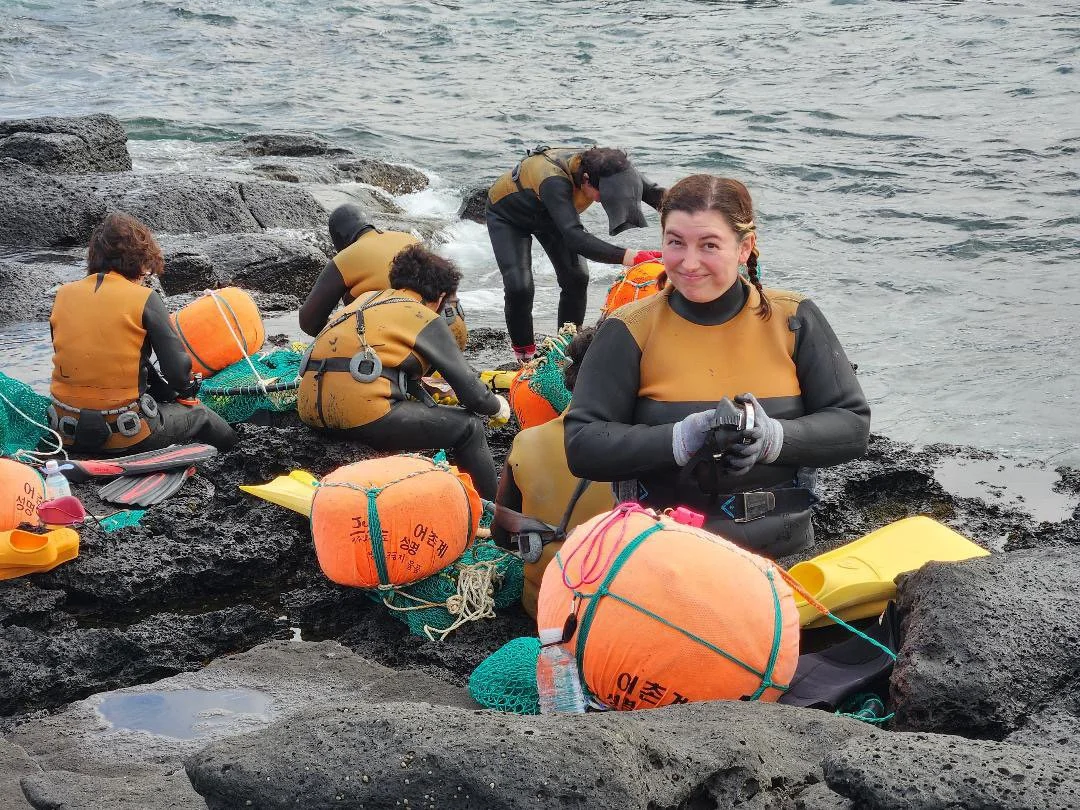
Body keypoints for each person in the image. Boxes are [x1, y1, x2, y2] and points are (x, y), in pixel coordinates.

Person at [564, 175, 870, 557]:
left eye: (709, 245)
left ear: (745, 247)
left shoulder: (794, 319)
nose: (689, 263)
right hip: (661, 552)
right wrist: (680, 439)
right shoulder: (629, 329)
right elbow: (583, 445)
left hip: (784, 551)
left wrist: (773, 438)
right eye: (675, 242)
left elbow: (852, 425)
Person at [297, 244, 509, 499]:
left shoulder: (365, 299)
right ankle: (492, 511)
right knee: (469, 427)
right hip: (362, 417)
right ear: (441, 296)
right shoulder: (423, 315)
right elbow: (474, 396)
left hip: (308, 412)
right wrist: (497, 406)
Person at [48, 213, 237, 453]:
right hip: (128, 435)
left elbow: (80, 357)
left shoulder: (63, 295)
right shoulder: (144, 298)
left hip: (66, 432)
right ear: (139, 259)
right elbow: (178, 373)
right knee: (201, 415)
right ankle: (239, 454)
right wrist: (185, 389)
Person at [486, 146, 665, 362]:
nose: (601, 200)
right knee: (519, 287)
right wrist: (631, 257)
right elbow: (575, 238)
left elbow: (661, 196)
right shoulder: (554, 179)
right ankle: (525, 356)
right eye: (602, 195)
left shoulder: (616, 170)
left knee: (577, 278)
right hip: (508, 216)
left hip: (552, 217)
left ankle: (567, 349)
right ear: (586, 179)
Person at [492, 327, 613, 617]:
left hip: (539, 608)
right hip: (606, 618)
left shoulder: (525, 442)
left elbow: (500, 536)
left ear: (569, 378)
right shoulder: (643, 449)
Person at [299, 204, 471, 350]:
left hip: (411, 341)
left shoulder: (345, 258)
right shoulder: (408, 238)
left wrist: (341, 333)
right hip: (453, 329)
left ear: (338, 240)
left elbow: (308, 321)